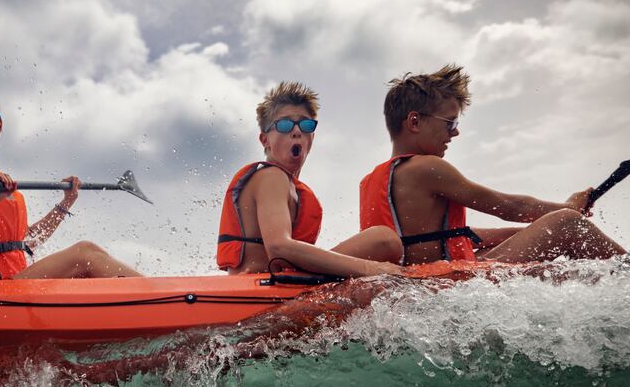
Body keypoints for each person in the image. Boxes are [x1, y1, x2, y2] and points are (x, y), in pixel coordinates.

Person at [359, 64, 625, 264]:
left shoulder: (374, 180)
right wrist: (569, 207)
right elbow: (509, 206)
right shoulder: (427, 168)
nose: (455, 133)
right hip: (444, 287)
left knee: (547, 237)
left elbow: (450, 236)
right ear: (415, 122)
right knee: (566, 223)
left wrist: (525, 232)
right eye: (449, 123)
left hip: (419, 280)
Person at [0, 85, 142, 280]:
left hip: (12, 289)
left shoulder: (7, 190)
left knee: (91, 259)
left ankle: (155, 304)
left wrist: (65, 204)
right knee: (84, 252)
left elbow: (26, 241)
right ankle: (172, 301)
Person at [216, 82, 403, 277]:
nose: (296, 131)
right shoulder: (270, 176)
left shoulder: (289, 185)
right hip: (263, 290)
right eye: (285, 124)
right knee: (384, 240)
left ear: (312, 136)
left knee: (384, 240)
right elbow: (278, 248)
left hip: (286, 284)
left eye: (305, 124)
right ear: (265, 140)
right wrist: (370, 268)